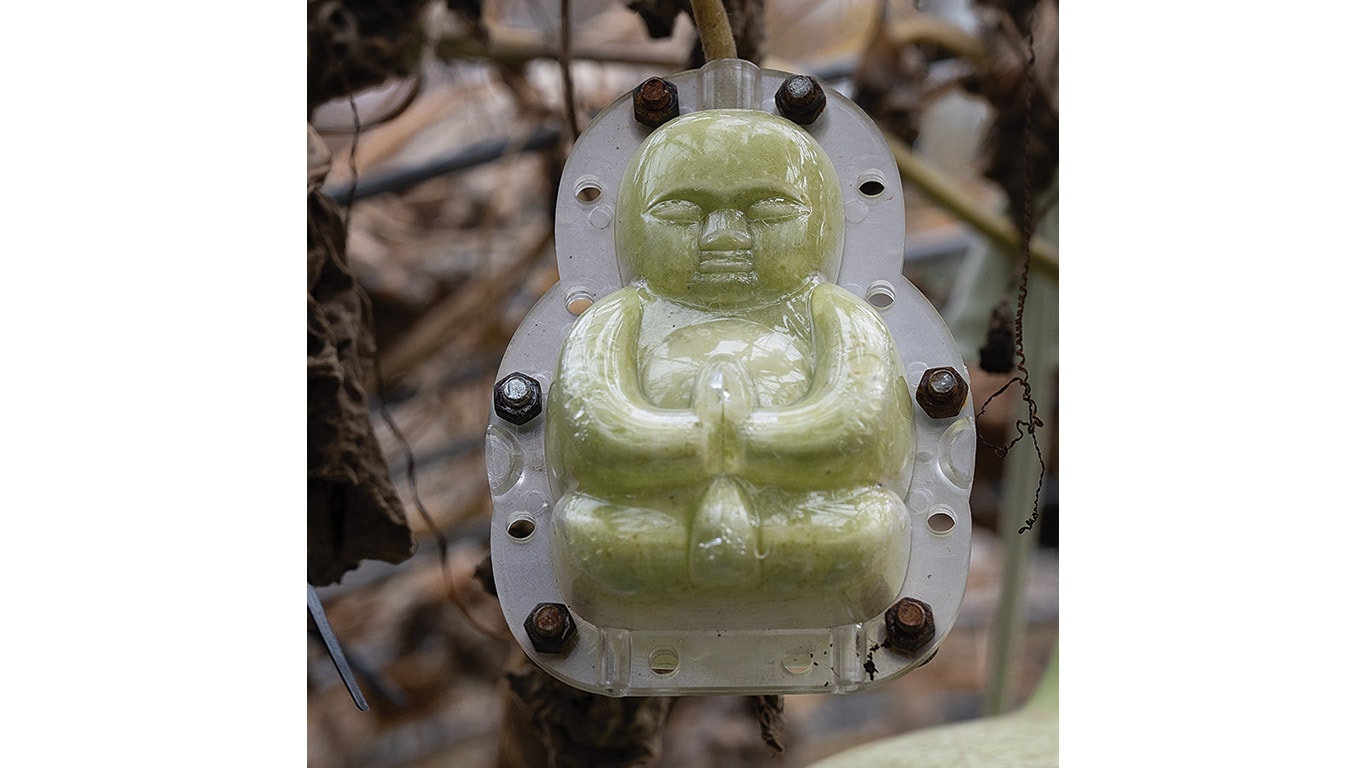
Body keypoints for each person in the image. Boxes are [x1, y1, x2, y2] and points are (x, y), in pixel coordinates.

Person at [546, 109, 914, 629]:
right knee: (588, 532)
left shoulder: (834, 312)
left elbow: (857, 427)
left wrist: (737, 439)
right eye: (679, 214)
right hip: (649, 517)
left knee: (867, 530)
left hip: (811, 514)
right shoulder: (618, 316)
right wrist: (700, 441)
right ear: (631, 226)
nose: (723, 237)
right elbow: (596, 432)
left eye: (767, 213)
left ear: (823, 224)